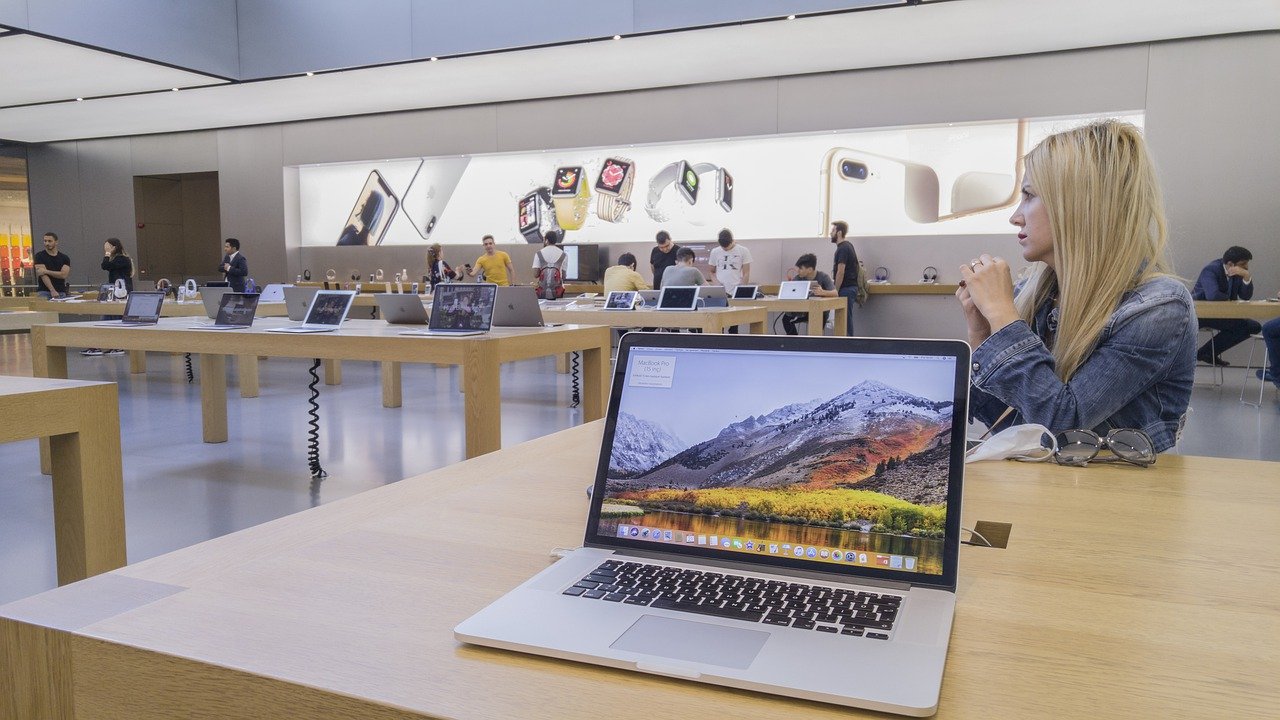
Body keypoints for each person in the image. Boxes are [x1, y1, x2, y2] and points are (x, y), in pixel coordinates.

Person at [956, 119, 1194, 453]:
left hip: (1116, 496)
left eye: (1029, 196)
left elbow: (1062, 427)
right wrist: (983, 335)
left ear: (1078, 205)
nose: (1016, 217)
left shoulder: (1159, 309)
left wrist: (1002, 316)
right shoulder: (1039, 294)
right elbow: (1016, 426)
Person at [1191, 246, 1259, 366]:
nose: (1246, 267)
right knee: (1241, 326)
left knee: (1253, 326)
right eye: (1243, 264)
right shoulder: (1211, 270)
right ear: (1230, 264)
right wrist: (1230, 299)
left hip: (1219, 315)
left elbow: (1245, 296)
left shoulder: (1238, 273)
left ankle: (1206, 352)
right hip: (1200, 315)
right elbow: (1213, 296)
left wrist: (1246, 277)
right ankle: (1205, 354)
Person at [85, 238, 135, 356]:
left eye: (107, 247)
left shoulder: (122, 259)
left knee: (113, 318)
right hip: (115, 293)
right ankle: (104, 345)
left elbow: (105, 265)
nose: (105, 250)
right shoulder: (119, 259)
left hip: (121, 293)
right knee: (110, 317)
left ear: (114, 247)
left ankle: (112, 345)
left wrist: (107, 254)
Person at [781, 253, 836, 335]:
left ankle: (815, 344)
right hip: (802, 310)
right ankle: (795, 343)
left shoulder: (823, 277)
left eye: (800, 268)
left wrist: (823, 292)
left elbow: (835, 293)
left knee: (817, 321)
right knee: (785, 319)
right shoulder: (798, 278)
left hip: (820, 311)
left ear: (810, 269)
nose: (798, 271)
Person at [830, 220, 859, 336]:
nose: (830, 233)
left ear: (839, 233)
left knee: (844, 320)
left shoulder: (842, 248)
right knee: (845, 319)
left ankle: (847, 345)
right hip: (850, 288)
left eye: (833, 230)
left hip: (846, 288)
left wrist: (835, 290)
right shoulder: (848, 246)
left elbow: (840, 272)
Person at [33, 232, 71, 299]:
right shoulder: (39, 256)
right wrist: (52, 290)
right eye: (45, 241)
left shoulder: (64, 258)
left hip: (61, 292)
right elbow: (42, 275)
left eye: (50, 241)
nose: (47, 243)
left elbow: (63, 275)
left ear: (56, 242)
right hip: (44, 292)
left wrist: (46, 271)